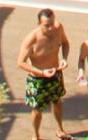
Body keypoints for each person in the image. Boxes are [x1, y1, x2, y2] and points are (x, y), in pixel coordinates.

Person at [16, 8, 70, 139]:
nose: (51, 28)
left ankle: (60, 130)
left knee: (57, 102)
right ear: (39, 24)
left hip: (56, 74)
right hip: (38, 80)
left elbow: (65, 43)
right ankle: (36, 136)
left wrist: (64, 59)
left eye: (52, 23)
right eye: (47, 25)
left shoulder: (58, 28)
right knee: (37, 110)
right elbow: (21, 63)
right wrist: (41, 72)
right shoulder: (31, 39)